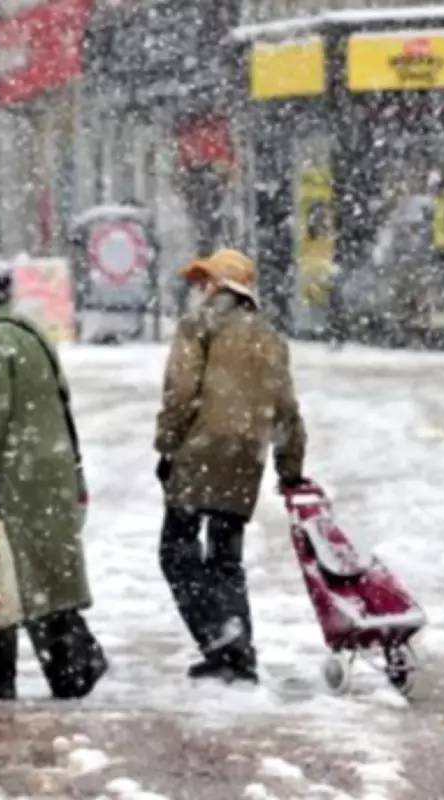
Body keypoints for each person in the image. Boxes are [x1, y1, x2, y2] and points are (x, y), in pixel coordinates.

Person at [0, 264, 107, 701]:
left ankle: (5, 680)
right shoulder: (31, 334)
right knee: (39, 580)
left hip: (13, 480)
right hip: (46, 475)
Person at [154, 248, 307, 685]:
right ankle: (239, 652)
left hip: (200, 450)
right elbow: (286, 411)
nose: (200, 290)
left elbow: (180, 393)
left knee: (177, 550)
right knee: (226, 558)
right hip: (246, 458)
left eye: (206, 282)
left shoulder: (199, 325)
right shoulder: (270, 338)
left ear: (220, 286)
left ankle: (222, 641)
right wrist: (290, 468)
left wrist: (167, 446)